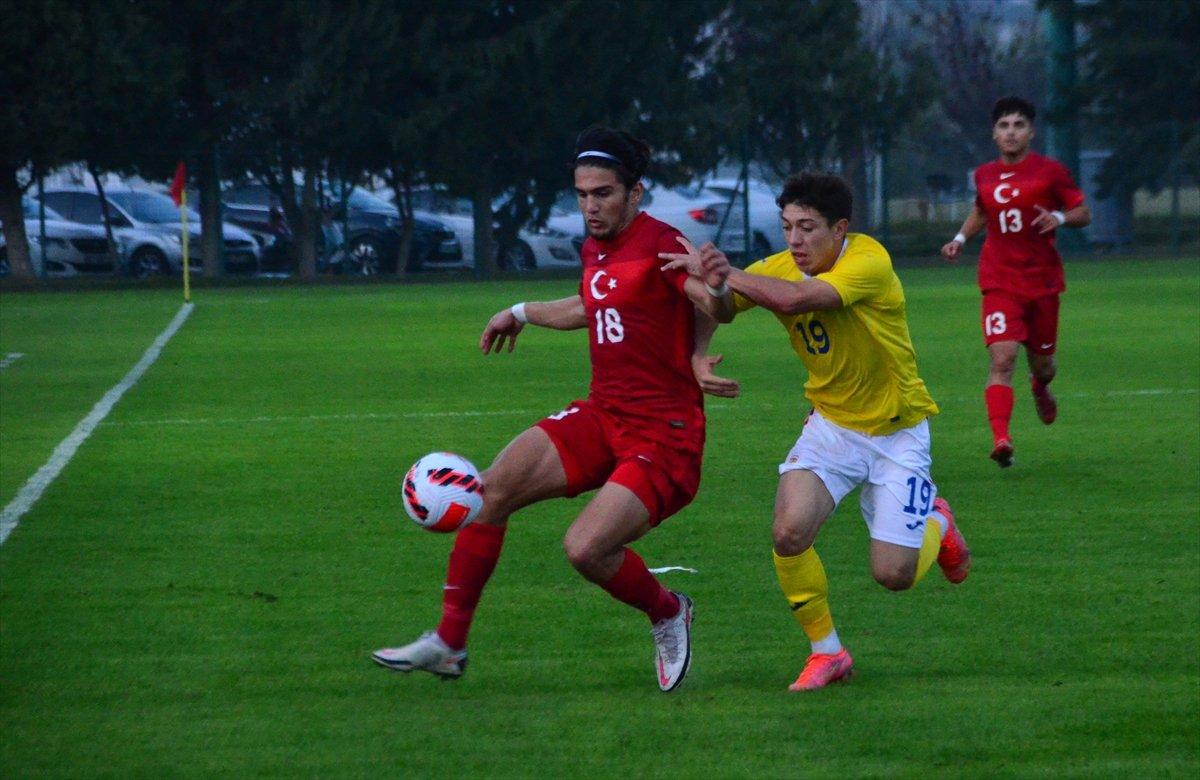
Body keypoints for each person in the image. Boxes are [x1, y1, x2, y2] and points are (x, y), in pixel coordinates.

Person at [372, 126, 734, 692]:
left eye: (604, 193)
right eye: (583, 194)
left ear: (635, 193)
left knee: (585, 548)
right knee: (491, 491)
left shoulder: (664, 243)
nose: (591, 206)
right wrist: (519, 309)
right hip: (602, 414)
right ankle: (448, 644)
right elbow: (591, 305)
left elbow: (710, 300)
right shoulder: (597, 247)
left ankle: (667, 611)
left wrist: (710, 312)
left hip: (664, 436)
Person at [660, 172, 971, 691]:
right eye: (787, 227)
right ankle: (827, 652)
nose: (795, 240)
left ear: (839, 228)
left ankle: (938, 521)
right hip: (831, 428)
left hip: (898, 433)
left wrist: (723, 271)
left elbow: (795, 301)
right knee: (788, 532)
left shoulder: (868, 261)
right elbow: (719, 307)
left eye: (807, 228)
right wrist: (704, 314)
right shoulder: (779, 266)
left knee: (894, 575)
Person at [941, 96, 1091, 468]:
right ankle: (1001, 439)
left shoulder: (1051, 172)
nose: (1011, 132)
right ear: (994, 134)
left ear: (1031, 132)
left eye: (1018, 125)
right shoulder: (985, 174)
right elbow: (981, 210)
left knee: (1043, 365)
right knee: (1003, 357)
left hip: (1042, 282)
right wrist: (960, 240)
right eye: (1004, 126)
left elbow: (1083, 212)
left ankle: (1040, 387)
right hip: (999, 280)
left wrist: (1059, 216)